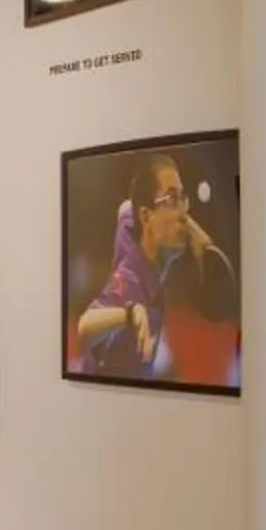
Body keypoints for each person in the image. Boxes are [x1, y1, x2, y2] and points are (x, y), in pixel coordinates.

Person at [75, 150, 229, 376]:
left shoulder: (132, 228)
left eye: (182, 200)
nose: (184, 214)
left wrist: (198, 238)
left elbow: (127, 207)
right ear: (146, 217)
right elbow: (85, 327)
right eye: (172, 200)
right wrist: (131, 313)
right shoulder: (131, 280)